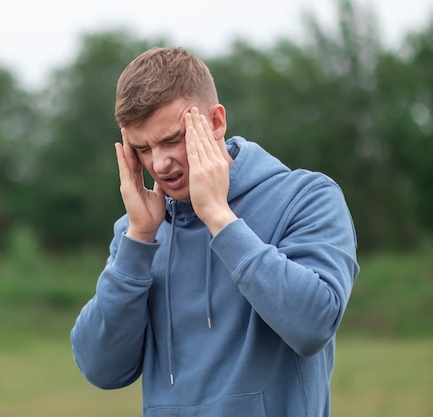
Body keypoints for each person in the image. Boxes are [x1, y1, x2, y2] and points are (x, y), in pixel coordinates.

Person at [70, 46, 359, 417]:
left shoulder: (306, 197)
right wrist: (139, 239)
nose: (159, 163)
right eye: (142, 149)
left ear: (217, 122)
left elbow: (314, 324)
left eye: (172, 140)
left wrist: (219, 218)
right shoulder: (137, 232)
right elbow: (101, 369)